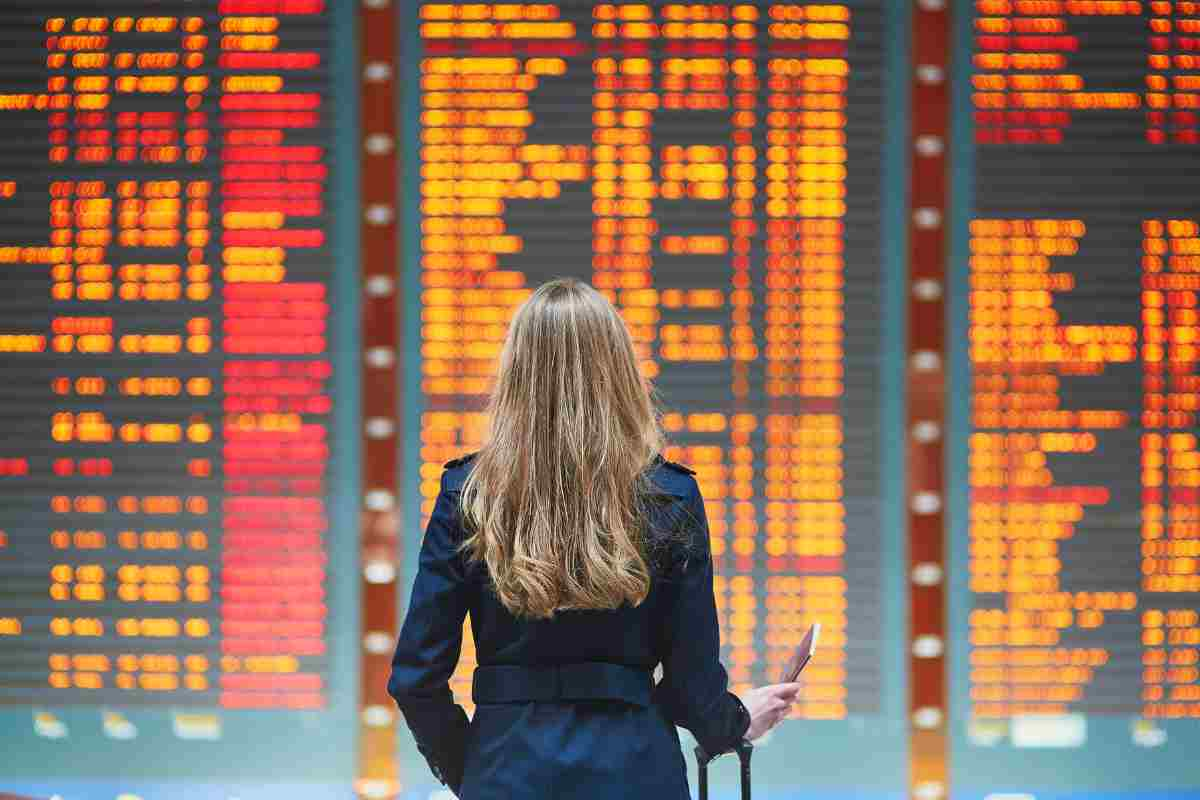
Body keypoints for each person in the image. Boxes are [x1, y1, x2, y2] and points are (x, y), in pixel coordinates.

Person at [388, 278, 802, 799]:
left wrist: (469, 767)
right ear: (619, 370)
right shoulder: (671, 496)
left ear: (516, 374)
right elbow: (690, 685)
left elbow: (416, 679)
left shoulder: (468, 495)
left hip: (505, 771)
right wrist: (737, 719)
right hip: (635, 773)